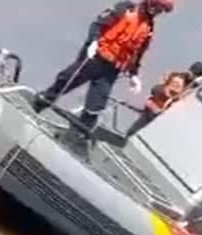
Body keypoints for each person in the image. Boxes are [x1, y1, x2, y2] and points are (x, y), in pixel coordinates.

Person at [30, 0, 176, 134]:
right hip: (95, 57)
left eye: (161, 9)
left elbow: (137, 53)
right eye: (156, 6)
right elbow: (97, 24)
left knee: (95, 105)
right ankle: (39, 104)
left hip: (111, 70)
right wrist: (93, 41)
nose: (156, 10)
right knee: (66, 80)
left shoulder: (148, 28)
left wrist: (134, 74)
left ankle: (78, 135)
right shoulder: (126, 8)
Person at [123, 71, 188, 138]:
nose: (175, 86)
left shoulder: (175, 99)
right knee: (136, 129)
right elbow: (153, 93)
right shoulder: (163, 89)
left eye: (178, 85)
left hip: (154, 115)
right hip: (151, 113)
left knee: (138, 128)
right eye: (174, 83)